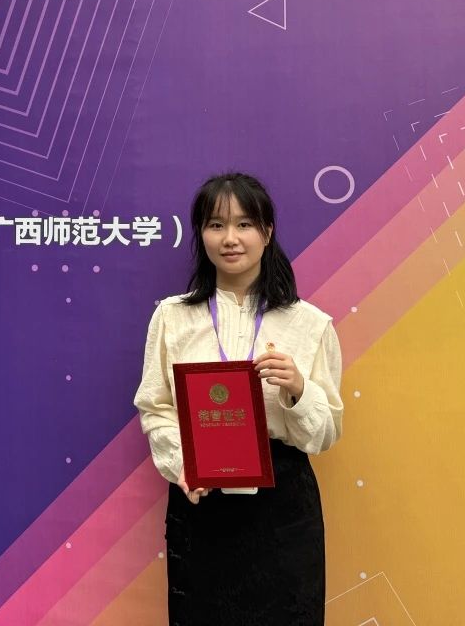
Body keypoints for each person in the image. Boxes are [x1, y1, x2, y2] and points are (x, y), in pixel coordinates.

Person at [134, 172, 344, 625]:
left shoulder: (310, 324)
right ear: (201, 234)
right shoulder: (172, 317)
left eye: (244, 224)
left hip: (283, 507)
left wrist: (298, 389)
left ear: (267, 232)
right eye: (216, 225)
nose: (230, 238)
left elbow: (326, 433)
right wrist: (184, 465)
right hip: (201, 499)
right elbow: (156, 408)